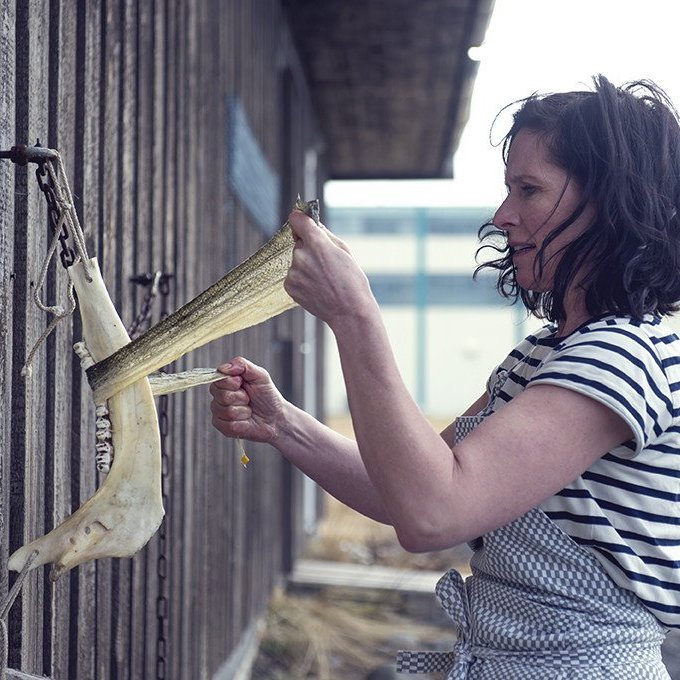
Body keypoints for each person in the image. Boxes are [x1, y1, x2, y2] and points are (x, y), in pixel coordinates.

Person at [210, 75, 680, 678]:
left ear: (610, 206)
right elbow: (402, 488)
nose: (503, 215)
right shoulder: (544, 356)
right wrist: (285, 425)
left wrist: (355, 316)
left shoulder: (623, 356)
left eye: (528, 190)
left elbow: (434, 514)